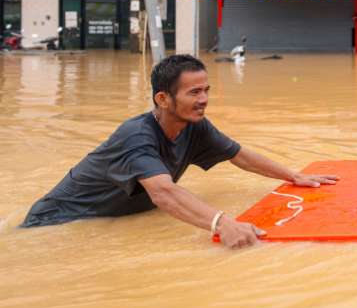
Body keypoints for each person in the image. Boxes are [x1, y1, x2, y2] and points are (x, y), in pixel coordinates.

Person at [20, 54, 338, 248]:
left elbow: (239, 155)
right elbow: (163, 193)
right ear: (162, 99)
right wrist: (222, 223)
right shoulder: (136, 136)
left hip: (108, 219)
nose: (204, 100)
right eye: (194, 92)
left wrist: (293, 175)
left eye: (206, 90)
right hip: (58, 224)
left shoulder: (194, 126)